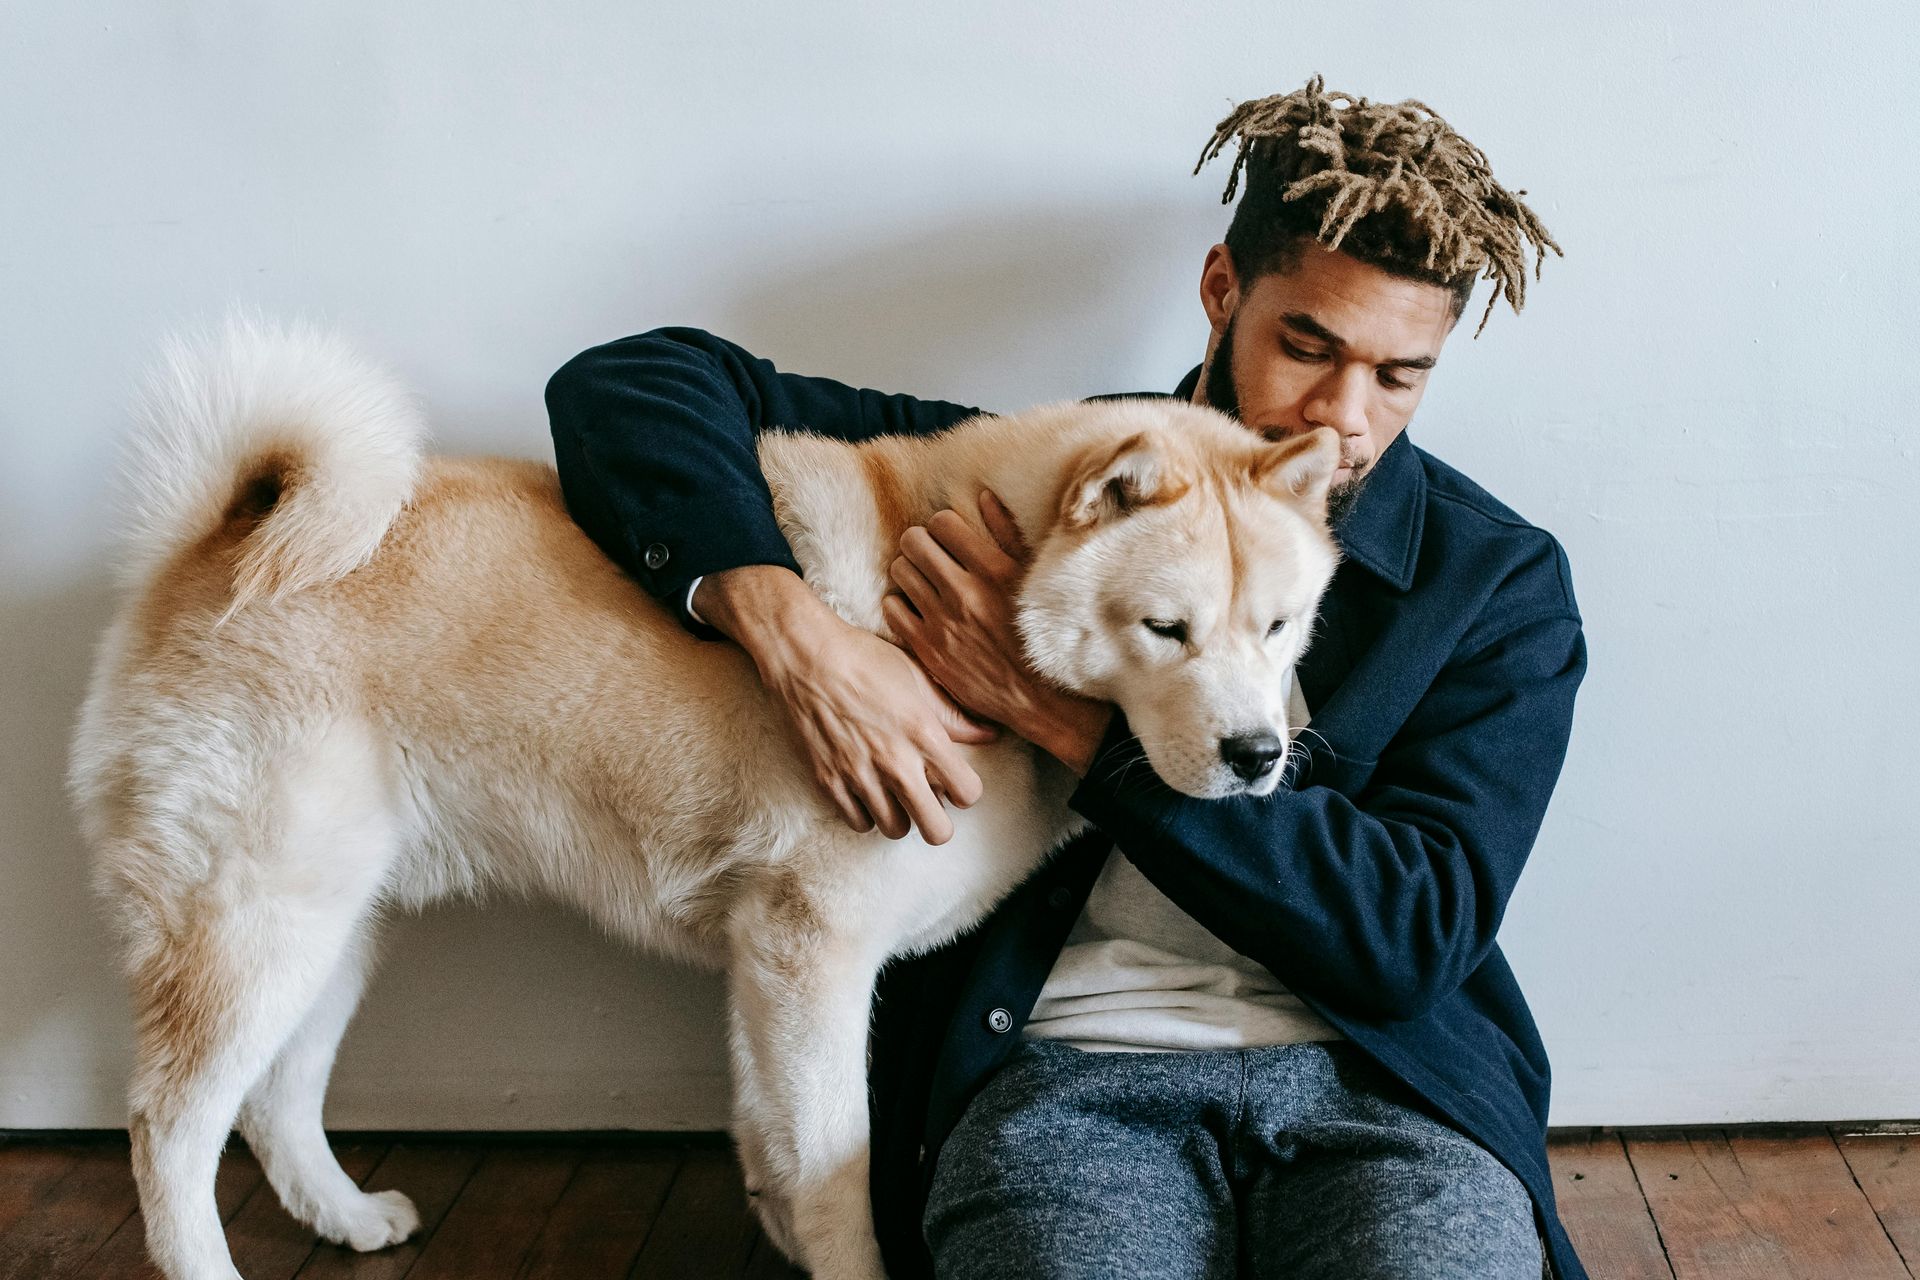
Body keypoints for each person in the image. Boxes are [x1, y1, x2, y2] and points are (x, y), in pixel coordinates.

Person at [545, 77, 1586, 1280]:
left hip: (1385, 1088)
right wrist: (794, 634)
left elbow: (1409, 934)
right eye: (1309, 345)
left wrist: (1061, 717)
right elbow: (636, 384)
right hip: (1059, 1074)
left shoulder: (1494, 583)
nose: (1346, 417)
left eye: (1399, 374)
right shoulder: (1037, 478)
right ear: (1220, 291)